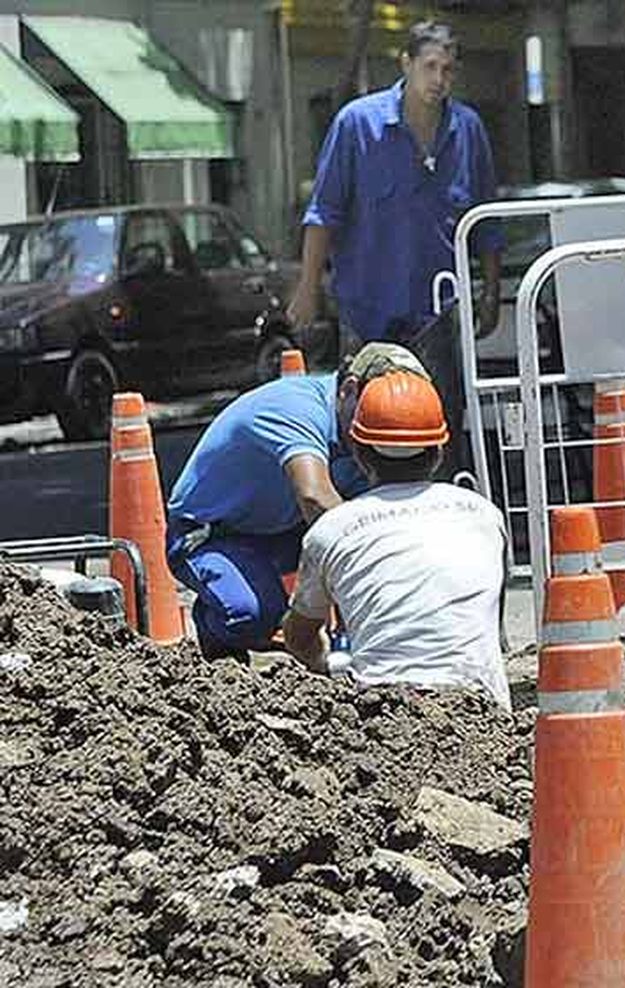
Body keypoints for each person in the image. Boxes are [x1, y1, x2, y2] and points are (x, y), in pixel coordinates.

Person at [287, 20, 504, 449]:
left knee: (439, 432)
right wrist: (308, 287)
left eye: (448, 70)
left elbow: (485, 219)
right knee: (363, 433)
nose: (438, 80)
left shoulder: (468, 130)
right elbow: (323, 212)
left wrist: (491, 290)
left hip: (436, 311)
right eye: (429, 67)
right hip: (367, 309)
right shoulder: (357, 125)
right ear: (405, 63)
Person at [166, 343, 429, 656]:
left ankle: (287, 618)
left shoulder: (360, 431)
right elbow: (315, 498)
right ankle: (216, 628)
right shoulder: (295, 407)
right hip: (210, 534)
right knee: (249, 615)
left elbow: (366, 524)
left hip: (280, 530)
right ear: (349, 391)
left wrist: (356, 636)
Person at [282, 372, 511, 708]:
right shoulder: (484, 514)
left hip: (386, 722)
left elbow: (300, 639)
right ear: (439, 451)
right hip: (483, 714)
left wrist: (322, 666)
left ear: (359, 453)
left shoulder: (330, 530)